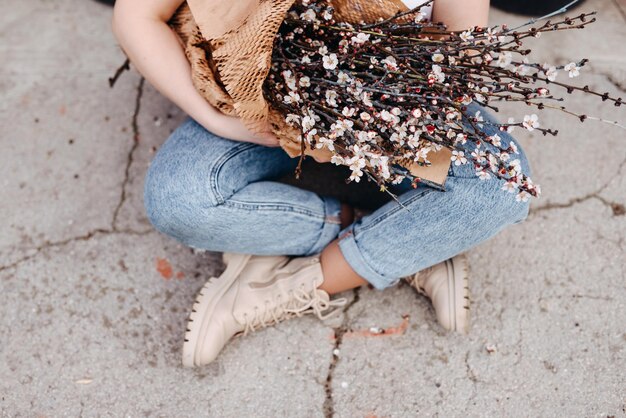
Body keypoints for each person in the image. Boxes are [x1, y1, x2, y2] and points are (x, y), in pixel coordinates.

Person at [111, 0, 531, 368]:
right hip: (257, 108)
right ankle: (408, 241)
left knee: (498, 185)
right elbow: (138, 14)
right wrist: (215, 119)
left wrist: (377, 112)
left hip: (388, 112)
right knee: (180, 199)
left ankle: (285, 284)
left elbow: (459, 60)